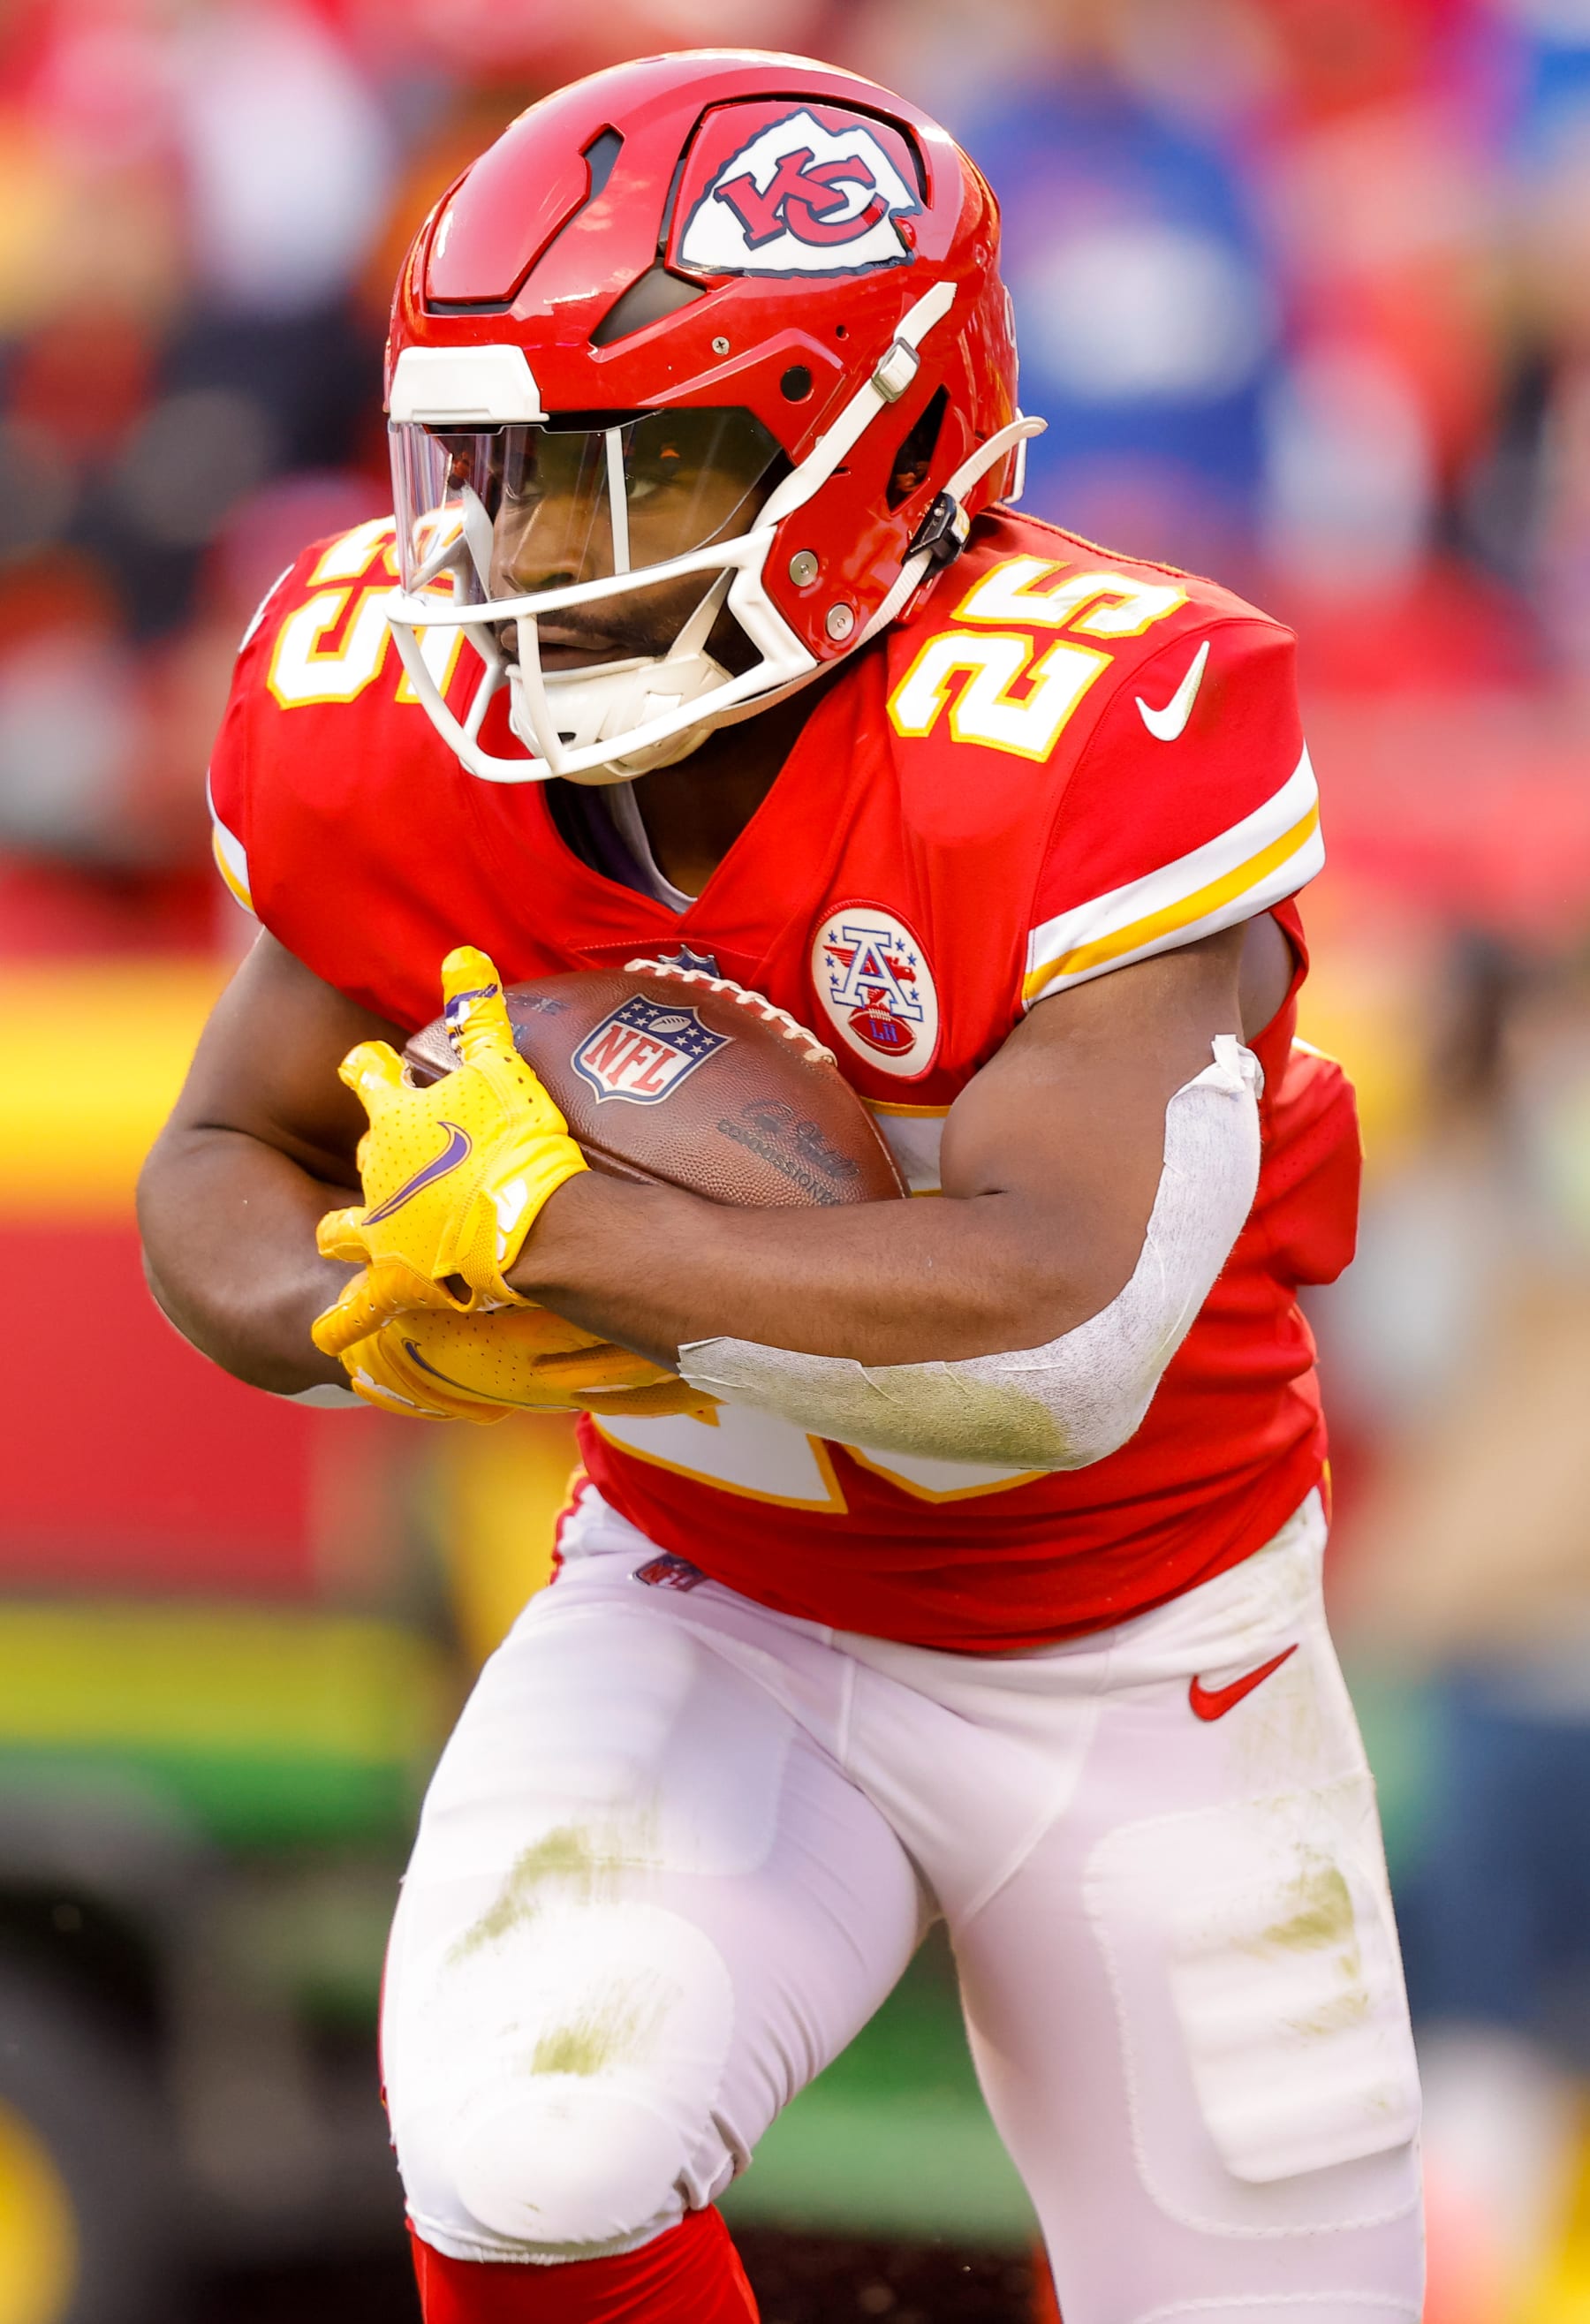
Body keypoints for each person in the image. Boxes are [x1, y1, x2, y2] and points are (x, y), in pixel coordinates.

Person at [137, 49, 1422, 2324]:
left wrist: (560, 1235)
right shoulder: (385, 716)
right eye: (498, 478)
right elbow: (226, 1163)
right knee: (529, 2133)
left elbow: (1055, 1331)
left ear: (884, 446)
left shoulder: (1082, 730)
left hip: (1142, 1652)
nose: (524, 561)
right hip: (710, 1594)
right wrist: (367, 1308)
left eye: (625, 476)